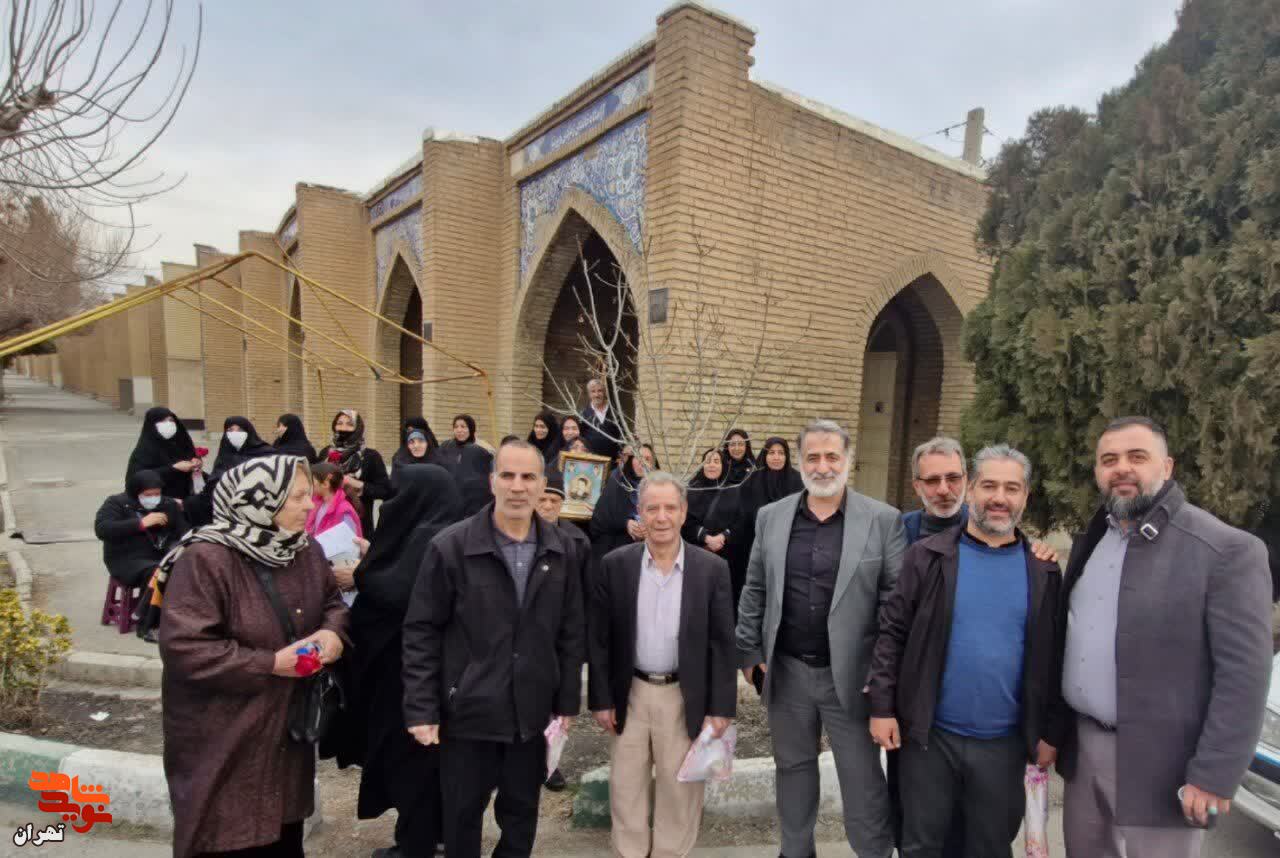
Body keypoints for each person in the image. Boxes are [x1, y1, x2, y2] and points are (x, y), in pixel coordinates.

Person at [1057, 416, 1273, 857]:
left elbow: (1245, 677)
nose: (1121, 468)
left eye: (1137, 457)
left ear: (1167, 466)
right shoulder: (1095, 537)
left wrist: (1214, 774)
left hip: (1166, 767)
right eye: (1109, 460)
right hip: (1084, 752)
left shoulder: (1226, 550)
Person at [867, 445, 1065, 857]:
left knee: (988, 846)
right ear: (971, 489)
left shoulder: (1043, 570)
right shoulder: (927, 557)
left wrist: (1050, 731)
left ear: (1026, 496)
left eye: (1012, 488)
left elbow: (1054, 657)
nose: (999, 497)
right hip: (930, 739)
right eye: (989, 485)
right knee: (921, 845)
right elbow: (892, 633)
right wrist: (882, 707)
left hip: (1004, 744)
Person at [158, 455, 348, 858]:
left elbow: (333, 602)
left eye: (309, 495)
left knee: (283, 833)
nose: (310, 505)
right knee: (229, 835)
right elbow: (186, 648)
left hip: (285, 732)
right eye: (297, 497)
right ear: (259, 501)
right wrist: (271, 664)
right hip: (226, 736)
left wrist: (332, 633)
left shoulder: (305, 549)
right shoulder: (206, 559)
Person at [402, 440, 585, 858]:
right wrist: (421, 708)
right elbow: (421, 632)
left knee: (521, 819)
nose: (517, 487)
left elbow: (571, 631)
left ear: (542, 485)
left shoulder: (562, 551)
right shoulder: (451, 548)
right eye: (508, 475)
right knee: (462, 818)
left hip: (530, 714)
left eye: (528, 477)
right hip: (468, 715)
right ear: (491, 482)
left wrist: (566, 702)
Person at [736, 419, 903, 858]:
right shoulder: (771, 517)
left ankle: (873, 853)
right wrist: (749, 653)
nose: (823, 466)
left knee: (862, 780)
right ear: (800, 461)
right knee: (793, 771)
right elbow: (754, 587)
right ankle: (795, 851)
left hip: (853, 679)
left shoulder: (883, 521)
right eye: (813, 457)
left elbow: (894, 607)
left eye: (832, 456)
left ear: (848, 460)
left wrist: (882, 678)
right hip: (787, 672)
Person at [589, 472, 737, 858]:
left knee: (679, 790)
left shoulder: (711, 570)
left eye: (670, 507)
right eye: (652, 508)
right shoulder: (615, 565)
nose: (661, 516)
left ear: (684, 512)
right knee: (626, 787)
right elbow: (599, 639)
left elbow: (723, 644)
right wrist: (601, 699)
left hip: (684, 696)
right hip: (631, 693)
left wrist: (721, 708)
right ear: (639, 512)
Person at [340, 464, 462, 858]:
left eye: (398, 494)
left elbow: (398, 592)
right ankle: (434, 837)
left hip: (406, 679)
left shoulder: (431, 538)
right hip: (432, 678)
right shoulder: (444, 531)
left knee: (411, 764)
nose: (391, 502)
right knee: (429, 764)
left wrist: (360, 575)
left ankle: (415, 846)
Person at [535, 471, 594, 793]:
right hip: (528, 632)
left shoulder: (577, 541)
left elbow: (584, 592)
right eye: (542, 499)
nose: (547, 506)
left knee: (557, 703)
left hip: (560, 634)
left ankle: (550, 763)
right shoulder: (520, 534)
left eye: (554, 501)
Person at [94, 470, 189, 633]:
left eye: (157, 494)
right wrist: (140, 523)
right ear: (136, 492)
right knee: (157, 571)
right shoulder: (117, 503)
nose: (153, 498)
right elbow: (102, 529)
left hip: (159, 555)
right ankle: (148, 623)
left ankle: (180, 616)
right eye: (148, 495)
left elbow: (184, 531)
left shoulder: (167, 504)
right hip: (126, 559)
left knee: (186, 566)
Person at [683, 448, 744, 613]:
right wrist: (706, 538)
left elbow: (741, 520)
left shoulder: (734, 490)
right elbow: (685, 522)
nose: (711, 465)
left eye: (716, 461)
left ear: (723, 465)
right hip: (697, 555)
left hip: (727, 558)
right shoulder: (692, 490)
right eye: (707, 461)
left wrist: (723, 537)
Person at [187, 416, 277, 526]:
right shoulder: (225, 454)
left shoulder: (266, 453)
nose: (235, 434)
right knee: (193, 503)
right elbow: (215, 481)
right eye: (230, 430)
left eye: (240, 430)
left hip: (256, 501)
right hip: (225, 501)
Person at [316, 409, 392, 538]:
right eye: (339, 423)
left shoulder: (370, 456)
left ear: (358, 428)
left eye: (349, 424)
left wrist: (356, 483)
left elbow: (385, 490)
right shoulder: (325, 454)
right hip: (325, 520)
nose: (343, 428)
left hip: (357, 523)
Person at [589, 444, 658, 564]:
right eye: (639, 458)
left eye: (647, 459)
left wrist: (648, 528)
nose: (643, 463)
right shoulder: (617, 482)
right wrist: (626, 523)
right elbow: (600, 519)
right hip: (616, 549)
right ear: (631, 461)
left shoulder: (659, 488)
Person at [125, 407, 201, 502]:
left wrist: (195, 463)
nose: (168, 424)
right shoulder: (145, 450)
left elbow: (190, 456)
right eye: (162, 421)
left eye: (171, 420)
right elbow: (136, 480)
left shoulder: (181, 442)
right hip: (157, 501)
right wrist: (173, 469)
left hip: (186, 499)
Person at [580, 378, 621, 462]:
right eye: (593, 391)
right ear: (589, 394)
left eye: (600, 391)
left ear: (604, 392)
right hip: (591, 460)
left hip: (612, 461)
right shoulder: (584, 414)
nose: (596, 395)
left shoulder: (615, 412)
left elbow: (621, 435)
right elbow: (581, 437)